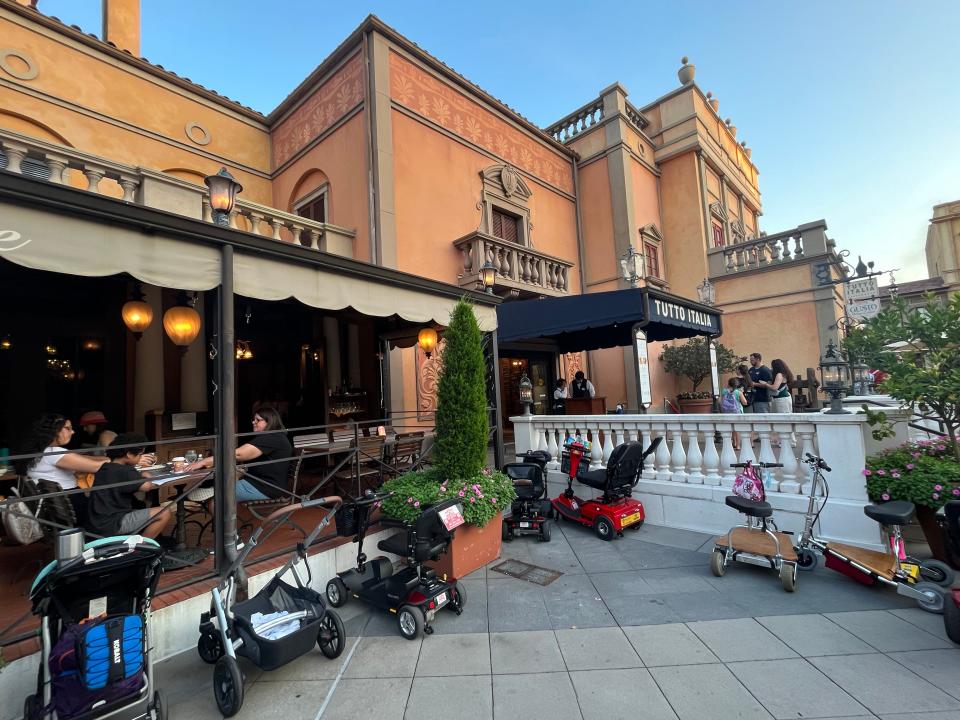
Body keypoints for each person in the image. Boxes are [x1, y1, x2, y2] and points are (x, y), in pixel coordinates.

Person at [185, 406, 292, 502]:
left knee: (216, 500)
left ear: (270, 422)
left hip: (265, 488)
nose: (253, 422)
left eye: (258, 420)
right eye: (253, 419)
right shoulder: (275, 436)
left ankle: (217, 495)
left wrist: (203, 462)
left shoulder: (272, 438)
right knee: (216, 494)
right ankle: (213, 492)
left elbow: (239, 454)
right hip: (259, 483)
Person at [18, 414, 110, 522]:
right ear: (55, 431)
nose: (72, 432)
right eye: (68, 428)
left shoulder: (40, 451)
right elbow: (96, 467)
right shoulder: (54, 453)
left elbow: (80, 457)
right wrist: (113, 460)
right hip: (71, 508)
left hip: (55, 508)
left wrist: (105, 458)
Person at [86, 433, 173, 539]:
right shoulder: (126, 471)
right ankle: (140, 548)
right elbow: (146, 487)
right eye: (140, 454)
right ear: (129, 455)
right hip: (112, 523)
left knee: (140, 505)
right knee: (164, 513)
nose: (141, 457)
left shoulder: (105, 467)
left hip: (97, 522)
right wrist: (147, 475)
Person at [720, 377, 749, 450]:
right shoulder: (738, 392)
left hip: (727, 412)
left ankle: (734, 443)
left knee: (732, 428)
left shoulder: (724, 391)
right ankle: (738, 445)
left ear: (729, 384)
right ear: (737, 384)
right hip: (737, 412)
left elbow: (719, 401)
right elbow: (745, 402)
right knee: (737, 429)